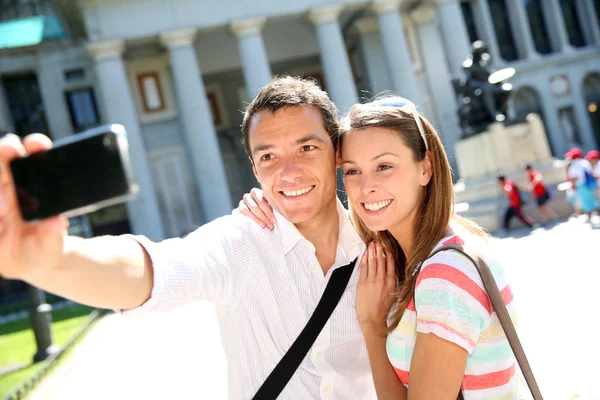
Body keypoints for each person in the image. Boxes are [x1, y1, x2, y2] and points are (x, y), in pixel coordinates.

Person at [0, 77, 378, 399]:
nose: (289, 172)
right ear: (254, 169)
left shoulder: (383, 247)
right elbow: (156, 271)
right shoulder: (239, 242)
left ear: (337, 154)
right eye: (269, 157)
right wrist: (54, 260)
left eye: (306, 148)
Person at [239, 96, 519, 398]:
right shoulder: (429, 251)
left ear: (425, 168)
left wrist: (373, 326)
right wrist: (276, 200)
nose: (366, 186)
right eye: (352, 171)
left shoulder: (445, 275)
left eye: (384, 166)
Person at [566, 147, 599, 221]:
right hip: (590, 184)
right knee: (592, 200)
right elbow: (591, 172)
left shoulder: (574, 165)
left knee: (586, 202)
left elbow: (573, 177)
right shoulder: (585, 162)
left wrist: (573, 185)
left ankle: (589, 218)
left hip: (581, 185)